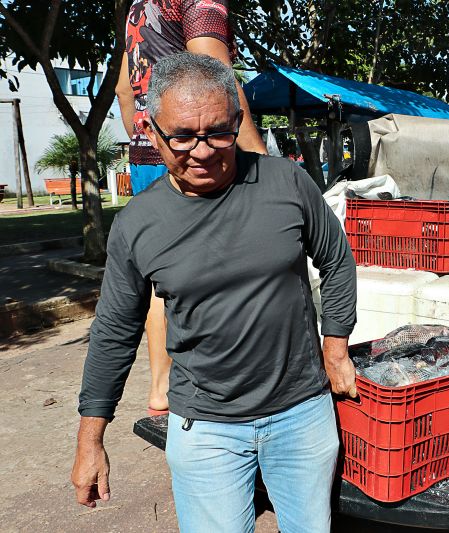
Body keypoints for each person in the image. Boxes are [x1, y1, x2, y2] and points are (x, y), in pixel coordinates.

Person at [72, 52, 356, 533]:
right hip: (205, 429)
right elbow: (114, 333)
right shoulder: (139, 224)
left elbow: (336, 259)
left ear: (239, 121)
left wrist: (336, 348)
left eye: (219, 132)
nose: (202, 151)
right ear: (151, 130)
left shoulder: (285, 182)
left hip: (301, 416)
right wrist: (90, 439)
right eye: (182, 136)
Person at [115, 0, 268, 416]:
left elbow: (124, 91)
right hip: (197, 155)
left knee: (161, 275)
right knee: (227, 264)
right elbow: (220, 81)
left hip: (153, 152)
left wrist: (152, 142)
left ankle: (162, 385)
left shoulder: (137, 8)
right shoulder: (198, 2)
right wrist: (262, 164)